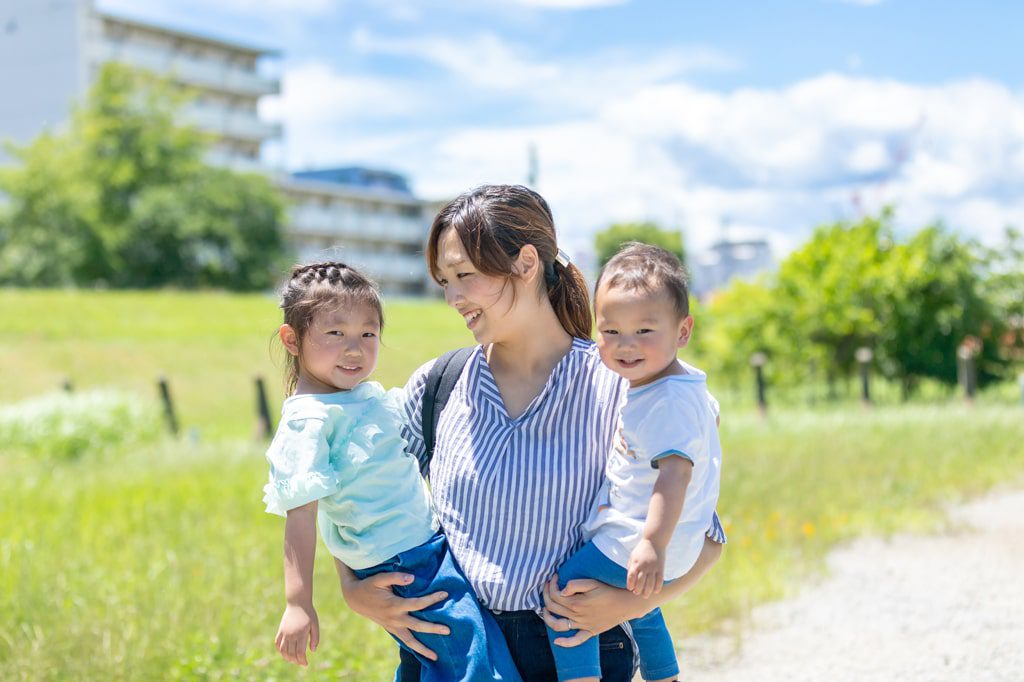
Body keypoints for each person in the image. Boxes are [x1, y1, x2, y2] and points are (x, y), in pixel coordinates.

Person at [334, 185, 726, 681]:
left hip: (581, 653)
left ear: (525, 263)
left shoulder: (628, 387)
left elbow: (705, 539)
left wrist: (623, 606)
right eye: (444, 281)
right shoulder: (438, 385)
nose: (453, 297)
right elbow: (354, 486)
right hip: (459, 650)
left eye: (464, 276)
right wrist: (351, 586)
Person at [262, 261, 521, 681]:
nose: (355, 348)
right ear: (292, 340)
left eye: (368, 334)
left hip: (423, 547)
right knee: (472, 661)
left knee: (440, 656)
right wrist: (297, 603)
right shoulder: (308, 422)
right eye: (335, 333)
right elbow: (302, 517)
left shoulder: (363, 398)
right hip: (399, 561)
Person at [545, 243, 723, 682]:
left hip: (647, 539)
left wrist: (652, 544)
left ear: (683, 331)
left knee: (567, 593)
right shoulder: (682, 385)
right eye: (610, 332)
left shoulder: (664, 401)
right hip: (673, 542)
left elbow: (675, 475)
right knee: (644, 607)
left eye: (645, 331)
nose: (626, 346)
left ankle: (581, 676)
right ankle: (664, 674)